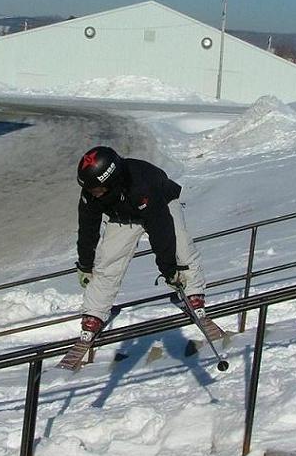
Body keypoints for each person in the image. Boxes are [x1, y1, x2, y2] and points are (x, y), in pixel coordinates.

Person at [74, 146, 206, 341]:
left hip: (161, 202)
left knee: (181, 247)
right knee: (108, 261)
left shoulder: (142, 185)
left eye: (97, 189)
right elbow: (87, 229)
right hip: (123, 214)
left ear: (112, 181)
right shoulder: (91, 194)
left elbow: (162, 230)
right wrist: (85, 264)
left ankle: (193, 293)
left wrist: (169, 270)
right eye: (90, 190)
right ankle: (94, 313)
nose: (94, 194)